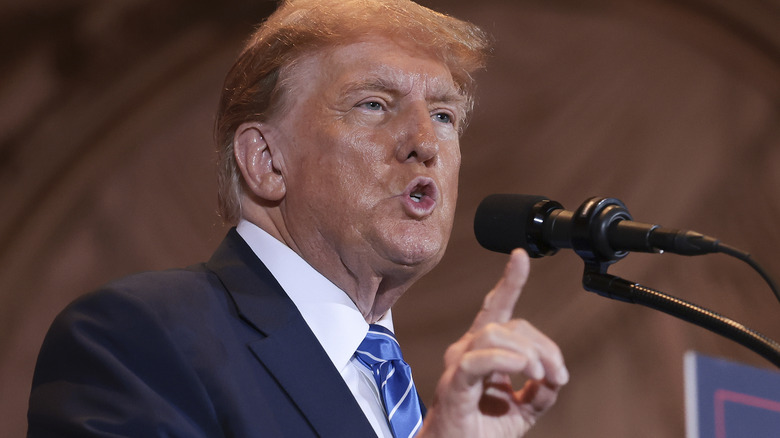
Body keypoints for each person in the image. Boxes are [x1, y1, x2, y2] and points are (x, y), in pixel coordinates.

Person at [27, 0, 569, 436]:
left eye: (444, 115)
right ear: (265, 161)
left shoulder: (401, 394)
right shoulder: (138, 339)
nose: (425, 143)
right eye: (374, 104)